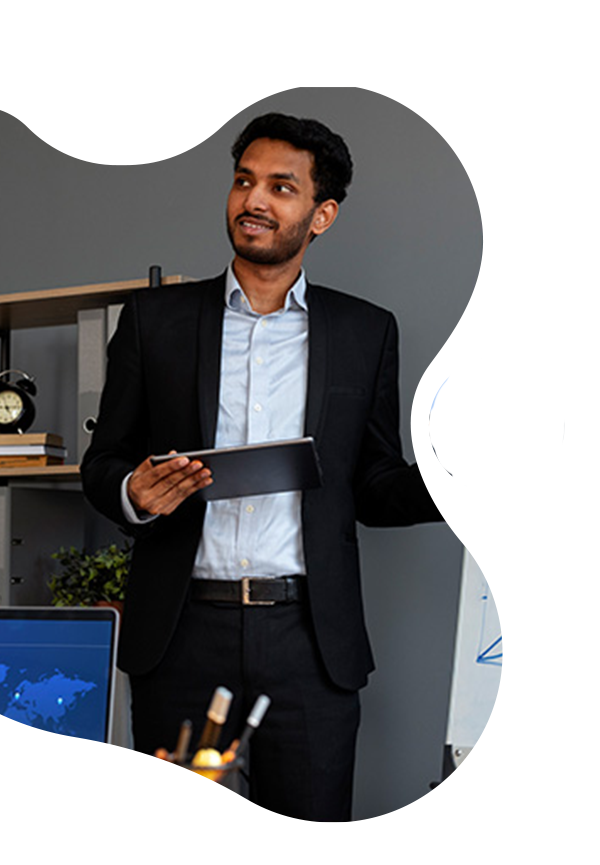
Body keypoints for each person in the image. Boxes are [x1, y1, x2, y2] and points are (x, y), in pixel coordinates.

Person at [80, 112, 477, 822]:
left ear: (322, 214)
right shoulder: (153, 320)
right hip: (180, 634)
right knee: (180, 833)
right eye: (244, 181)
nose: (253, 200)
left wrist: (463, 480)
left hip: (310, 640)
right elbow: (102, 461)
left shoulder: (364, 331)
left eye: (281, 187)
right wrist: (133, 490)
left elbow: (374, 486)